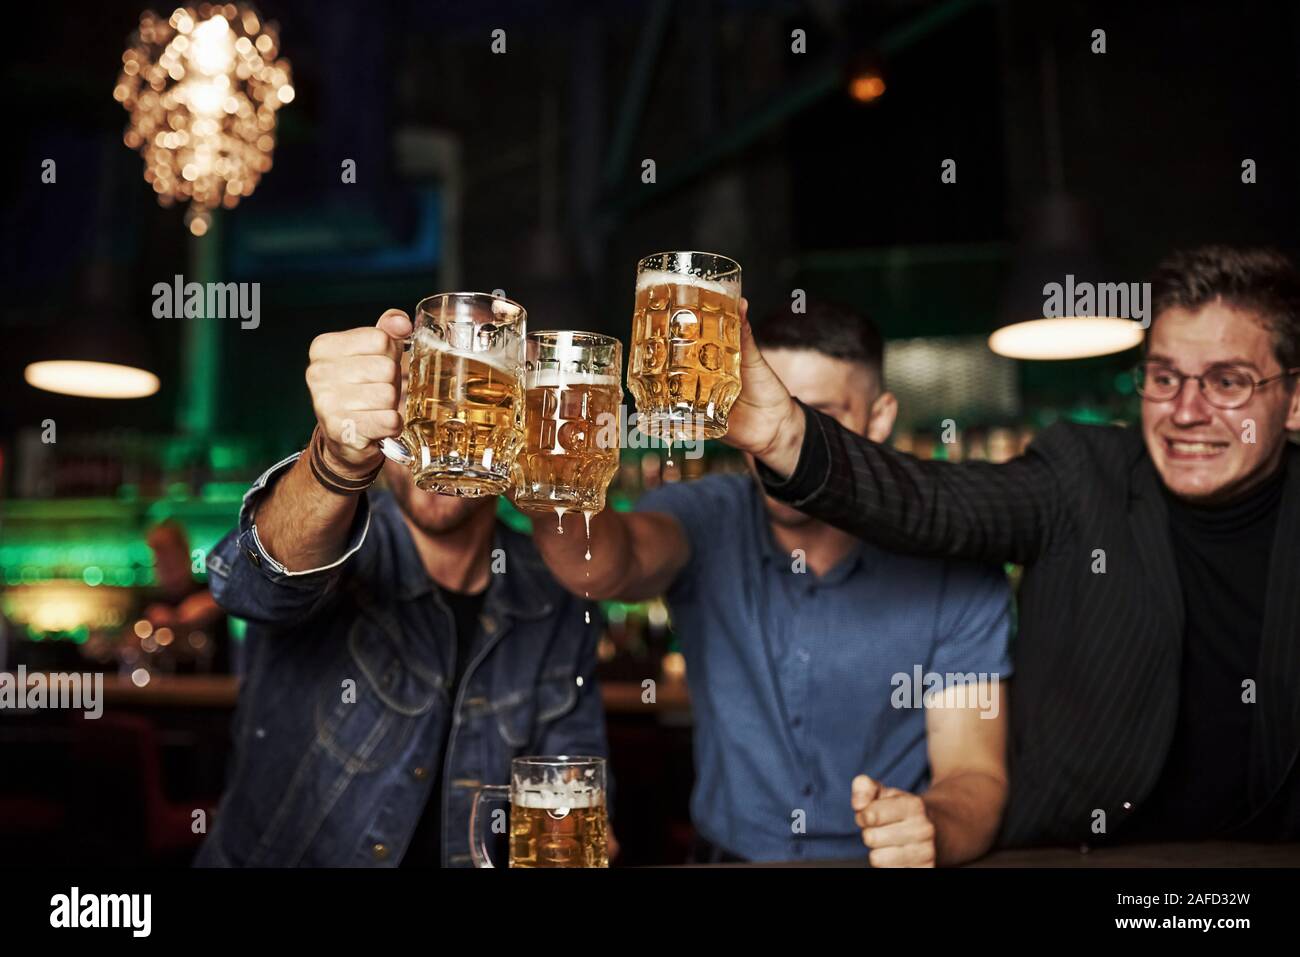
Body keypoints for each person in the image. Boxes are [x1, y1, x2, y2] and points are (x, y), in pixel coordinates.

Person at [730, 245, 1300, 846]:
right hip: (1070, 860)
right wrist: (787, 436)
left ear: (1293, 400)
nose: (1186, 411)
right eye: (1164, 378)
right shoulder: (1080, 478)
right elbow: (933, 501)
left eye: (1227, 382)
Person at [531, 300, 1012, 866]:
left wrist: (932, 827)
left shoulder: (953, 562)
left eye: (816, 417)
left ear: (879, 418)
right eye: (765, 409)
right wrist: (550, 479)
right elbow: (601, 565)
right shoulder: (706, 515)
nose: (778, 446)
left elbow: (974, 773)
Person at [195, 309, 609, 867]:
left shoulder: (554, 587)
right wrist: (335, 460)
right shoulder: (337, 536)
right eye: (434, 403)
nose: (449, 428)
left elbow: (573, 775)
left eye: (475, 405)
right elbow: (247, 586)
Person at [135, 519, 230, 673]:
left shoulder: (212, 591)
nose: (165, 564)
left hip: (213, 689)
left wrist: (208, 605)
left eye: (170, 555)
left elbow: (238, 597)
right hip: (163, 691)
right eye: (159, 558)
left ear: (185, 554)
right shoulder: (148, 602)